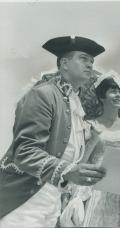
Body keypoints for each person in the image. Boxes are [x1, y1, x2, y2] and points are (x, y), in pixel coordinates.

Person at [0, 36, 107, 227]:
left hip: (53, 198)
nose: (90, 65)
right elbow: (25, 152)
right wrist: (69, 170)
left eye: (92, 61)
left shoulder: (75, 104)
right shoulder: (43, 94)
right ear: (64, 64)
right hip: (25, 197)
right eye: (83, 58)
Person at [60, 71, 120, 227]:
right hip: (99, 189)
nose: (118, 95)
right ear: (101, 96)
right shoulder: (91, 125)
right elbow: (81, 161)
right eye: (113, 91)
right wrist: (93, 139)